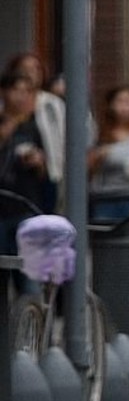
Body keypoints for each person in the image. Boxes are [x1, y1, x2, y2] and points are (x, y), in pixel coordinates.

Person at [0, 72, 48, 295]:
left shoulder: (33, 126)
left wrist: (38, 161)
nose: (21, 97)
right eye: (16, 90)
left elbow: (44, 171)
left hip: (25, 207)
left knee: (29, 277)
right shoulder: (5, 123)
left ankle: (31, 326)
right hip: (3, 206)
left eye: (27, 92)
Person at [3, 54, 64, 209]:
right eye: (26, 69)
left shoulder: (51, 104)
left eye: (36, 68)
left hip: (42, 182)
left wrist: (42, 162)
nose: (32, 73)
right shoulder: (5, 115)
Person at [88, 85, 129, 221]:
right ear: (110, 105)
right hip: (107, 198)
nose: (126, 106)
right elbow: (85, 167)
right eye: (120, 101)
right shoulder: (98, 134)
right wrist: (99, 156)